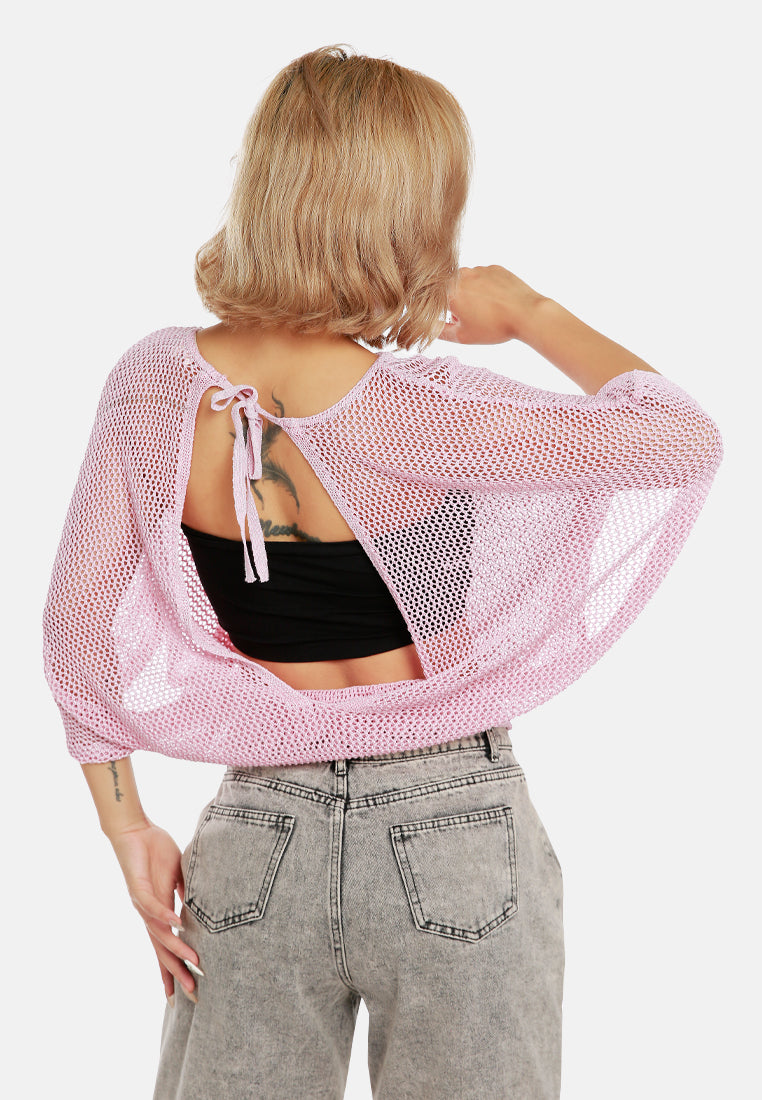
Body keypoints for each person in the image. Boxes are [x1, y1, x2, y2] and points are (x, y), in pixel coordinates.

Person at [42, 44, 723, 1100]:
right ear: (412, 215)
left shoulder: (154, 386)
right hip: (456, 829)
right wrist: (529, 310)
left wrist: (126, 827)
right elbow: (680, 439)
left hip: (257, 835)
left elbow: (76, 629)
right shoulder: (422, 411)